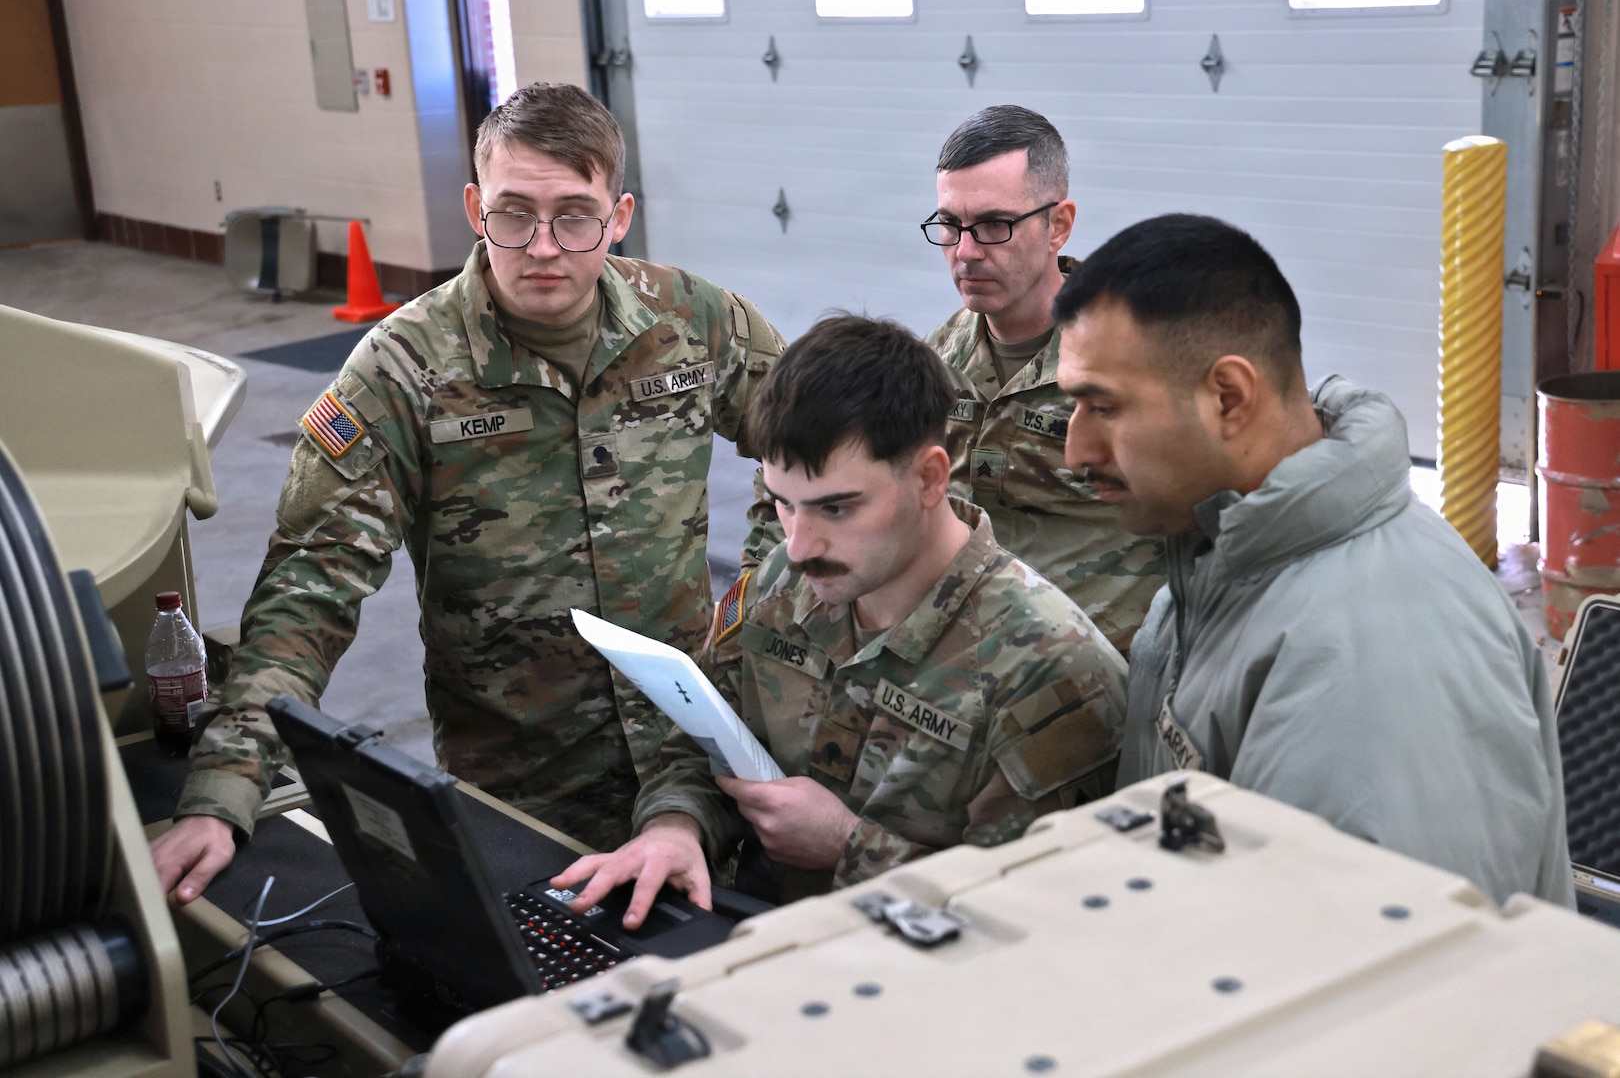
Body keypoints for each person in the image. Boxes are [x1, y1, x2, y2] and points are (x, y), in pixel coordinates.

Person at [150, 82, 784, 903]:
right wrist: (226, 791)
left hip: (695, 765)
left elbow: (818, 454)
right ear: (474, 206)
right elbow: (313, 583)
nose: (545, 246)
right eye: (515, 214)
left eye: (576, 216)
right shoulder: (403, 369)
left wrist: (756, 604)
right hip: (521, 789)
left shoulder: (698, 323)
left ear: (620, 215)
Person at [1052, 212, 1574, 907]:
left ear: (1229, 398)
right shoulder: (1221, 556)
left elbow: (1383, 980)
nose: (1075, 451)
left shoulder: (1373, 655)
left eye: (1103, 408)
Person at [553, 314, 1127, 926]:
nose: (799, 545)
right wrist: (676, 828)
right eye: (783, 503)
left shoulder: (1051, 670)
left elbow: (1054, 919)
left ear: (930, 477)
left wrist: (850, 847)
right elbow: (700, 745)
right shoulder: (781, 582)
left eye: (836, 507)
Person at [924, 105, 1163, 655]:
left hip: (1098, 689)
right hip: (967, 677)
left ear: (1058, 225)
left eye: (993, 226)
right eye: (950, 226)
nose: (964, 252)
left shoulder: (1140, 362)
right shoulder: (935, 363)